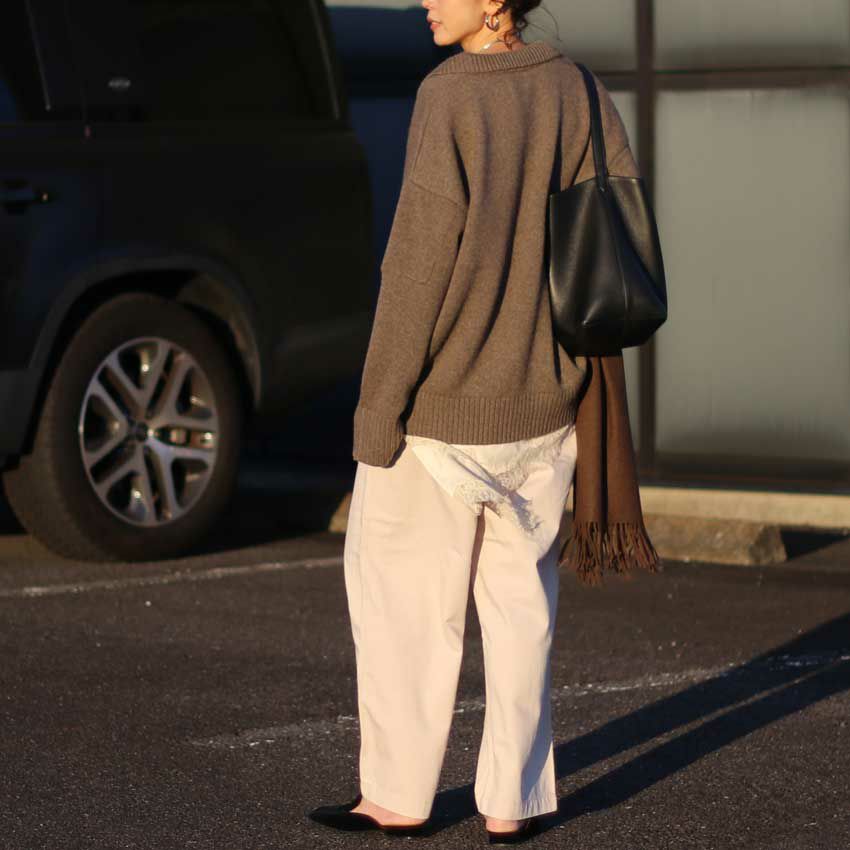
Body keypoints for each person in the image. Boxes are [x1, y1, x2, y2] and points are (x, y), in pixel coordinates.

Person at [309, 0, 647, 843]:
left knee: (403, 610)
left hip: (444, 413)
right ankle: (511, 802)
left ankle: (397, 799)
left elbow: (417, 263)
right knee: (521, 613)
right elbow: (620, 227)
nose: (425, 0)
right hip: (550, 405)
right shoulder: (578, 88)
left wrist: (377, 409)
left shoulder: (450, 93)